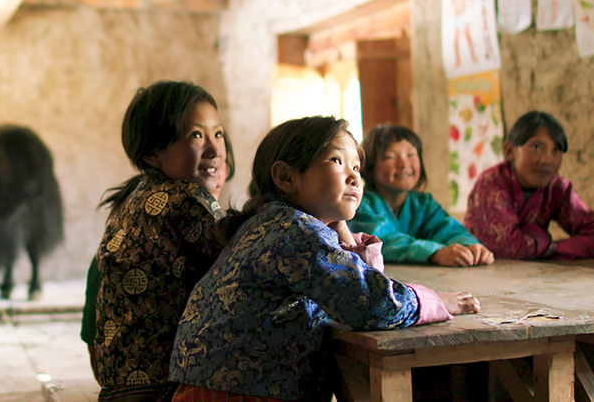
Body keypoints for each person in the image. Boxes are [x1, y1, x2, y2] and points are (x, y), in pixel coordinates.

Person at [168, 116, 480, 401]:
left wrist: (341, 228)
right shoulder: (294, 230)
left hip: (216, 387)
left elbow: (359, 278)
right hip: (242, 393)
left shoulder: (271, 223)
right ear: (286, 177)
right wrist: (436, 301)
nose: (354, 178)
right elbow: (370, 302)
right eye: (336, 161)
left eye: (357, 167)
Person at [89, 80, 235, 401]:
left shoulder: (131, 199)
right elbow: (240, 275)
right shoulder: (186, 197)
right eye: (196, 135)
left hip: (119, 384)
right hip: (163, 388)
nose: (214, 149)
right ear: (153, 154)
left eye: (218, 134)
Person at [79, 155, 232, 384]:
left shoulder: (134, 205)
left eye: (221, 164)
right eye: (206, 166)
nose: (217, 172)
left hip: (114, 376)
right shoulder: (185, 205)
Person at [464, 111, 594, 259]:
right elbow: (507, 247)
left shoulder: (555, 188)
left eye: (556, 150)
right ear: (510, 151)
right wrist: (543, 243)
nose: (546, 160)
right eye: (536, 147)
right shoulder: (491, 184)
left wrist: (551, 248)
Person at [350, 125, 494, 266]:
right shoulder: (359, 204)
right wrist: (435, 252)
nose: (404, 164)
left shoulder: (423, 203)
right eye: (390, 157)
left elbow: (446, 229)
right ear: (369, 167)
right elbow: (383, 240)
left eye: (411, 155)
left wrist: (470, 246)